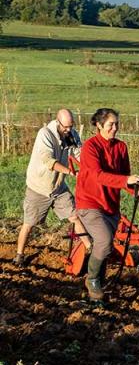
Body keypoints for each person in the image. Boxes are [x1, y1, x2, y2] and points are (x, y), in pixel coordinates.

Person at [75, 108, 139, 301]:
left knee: (103, 247)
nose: (115, 128)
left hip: (110, 206)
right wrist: (126, 181)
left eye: (117, 124)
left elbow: (124, 176)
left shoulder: (121, 147)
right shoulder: (90, 147)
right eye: (110, 124)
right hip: (89, 202)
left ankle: (96, 289)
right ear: (99, 125)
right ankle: (92, 280)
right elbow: (97, 176)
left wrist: (135, 189)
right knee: (104, 242)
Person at [14, 109, 92, 266]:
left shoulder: (71, 134)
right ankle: (19, 255)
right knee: (29, 224)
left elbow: (80, 155)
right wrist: (70, 171)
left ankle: (91, 248)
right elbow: (48, 161)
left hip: (58, 187)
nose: (69, 130)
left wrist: (92, 169)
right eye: (66, 127)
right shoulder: (45, 135)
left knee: (74, 216)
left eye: (71, 126)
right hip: (39, 187)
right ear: (58, 122)